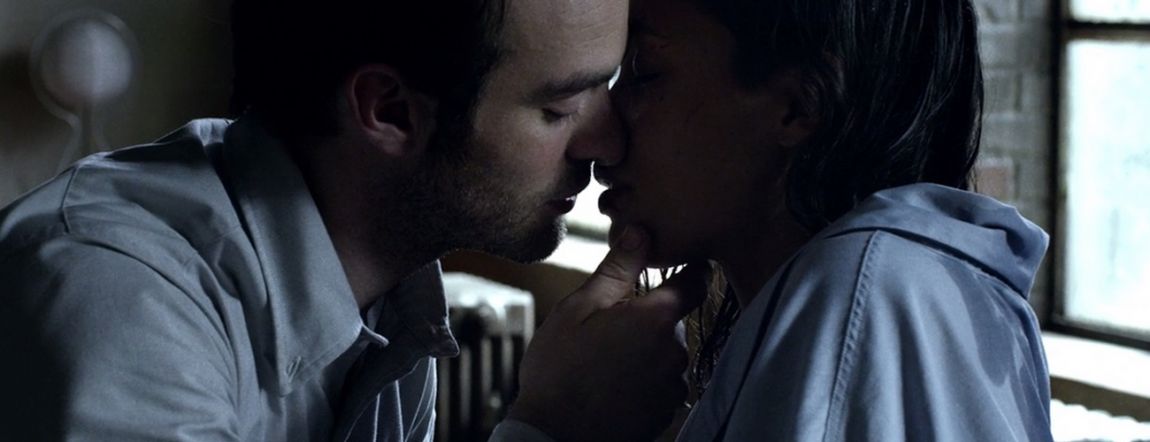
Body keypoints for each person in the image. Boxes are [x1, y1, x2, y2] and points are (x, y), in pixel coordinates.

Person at [0, 0, 701, 440]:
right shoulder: (119, 297)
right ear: (389, 111)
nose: (609, 144)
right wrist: (553, 429)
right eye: (559, 108)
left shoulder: (392, 300)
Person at [598, 0, 1054, 439]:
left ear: (799, 105)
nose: (599, 131)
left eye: (644, 73)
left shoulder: (867, 294)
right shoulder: (861, 289)